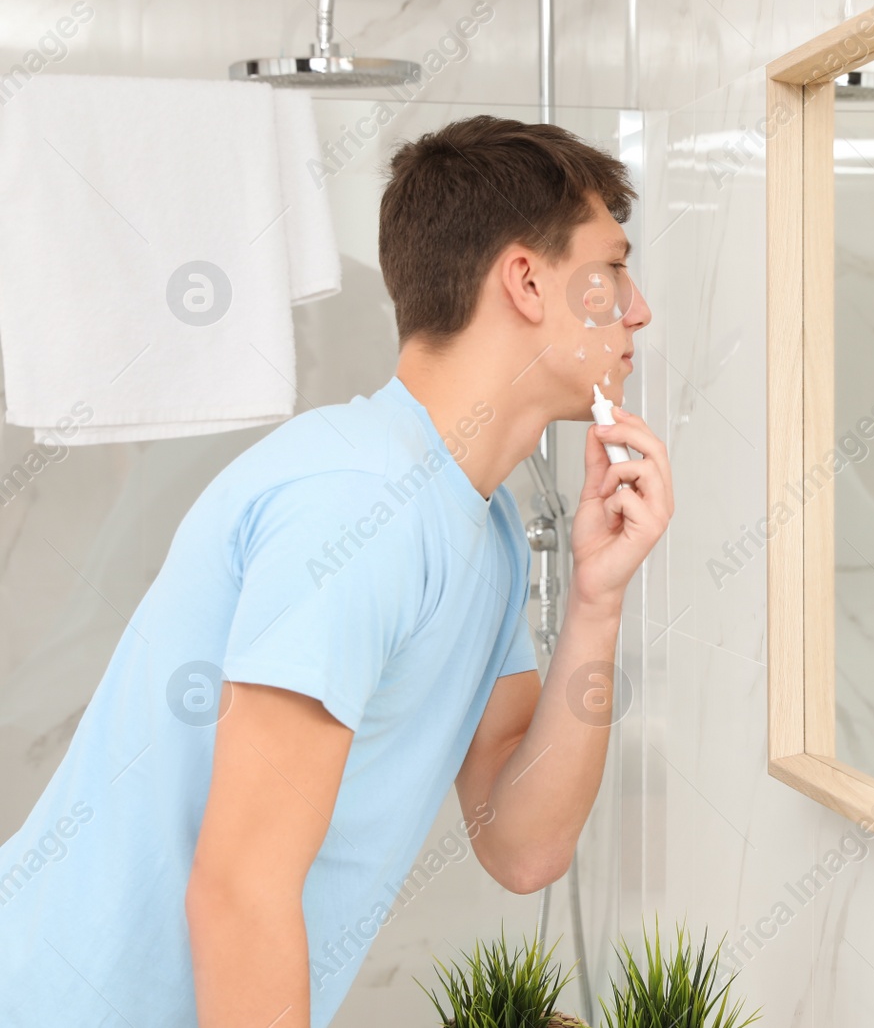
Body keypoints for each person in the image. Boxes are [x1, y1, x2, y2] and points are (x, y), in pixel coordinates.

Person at [0, 115, 670, 1028]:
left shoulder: (485, 526)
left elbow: (521, 846)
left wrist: (598, 595)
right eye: (613, 268)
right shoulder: (361, 503)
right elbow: (240, 891)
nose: (637, 309)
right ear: (524, 279)